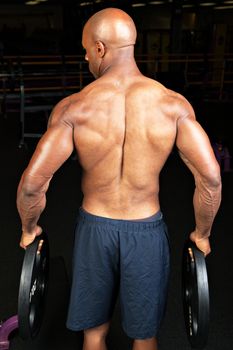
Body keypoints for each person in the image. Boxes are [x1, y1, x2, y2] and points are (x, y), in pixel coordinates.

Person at [16, 7, 222, 350]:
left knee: (94, 334)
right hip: (146, 230)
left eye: (85, 49)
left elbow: (32, 184)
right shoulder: (173, 105)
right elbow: (211, 178)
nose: (85, 57)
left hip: (95, 230)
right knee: (144, 336)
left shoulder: (74, 108)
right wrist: (202, 235)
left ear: (100, 48)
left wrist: (28, 228)